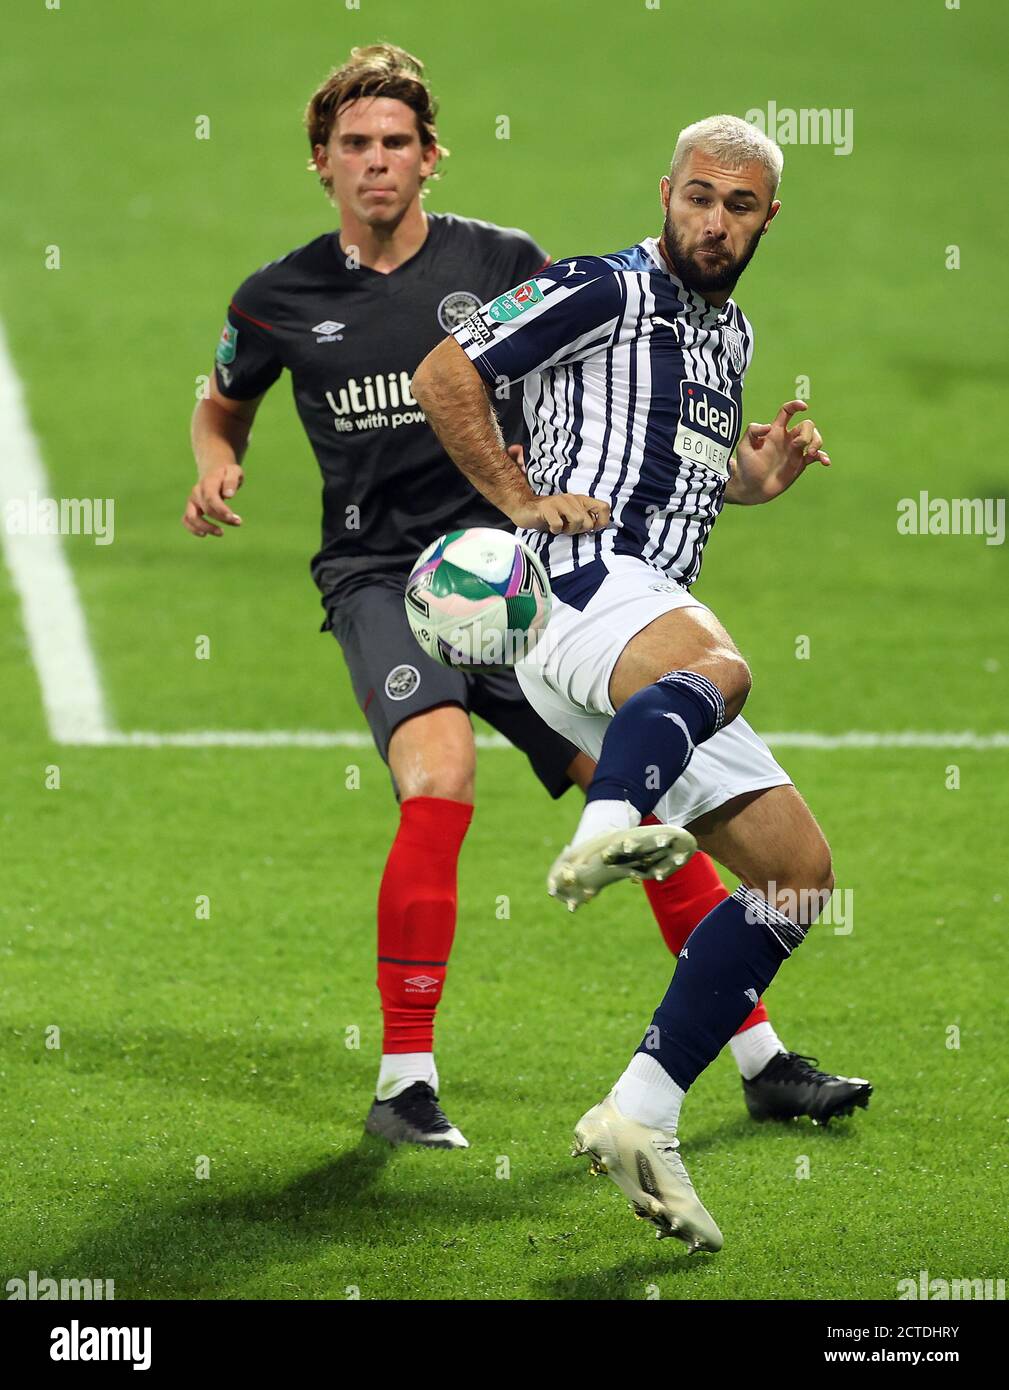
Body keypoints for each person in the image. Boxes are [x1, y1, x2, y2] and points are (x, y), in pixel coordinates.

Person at [184, 51, 868, 1155]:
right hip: (390, 576)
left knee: (654, 795)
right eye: (354, 144)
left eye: (395, 142)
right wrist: (215, 462)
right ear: (322, 163)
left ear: (428, 154)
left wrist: (733, 478)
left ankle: (749, 1055)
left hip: (527, 571)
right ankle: (407, 1080)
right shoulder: (276, 298)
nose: (376, 163)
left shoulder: (504, 260)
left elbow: (611, 390)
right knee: (443, 773)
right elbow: (223, 401)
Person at [413, 113, 869, 1248]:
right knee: (726, 664)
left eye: (740, 206)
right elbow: (443, 370)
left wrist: (751, 476)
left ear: (770, 217)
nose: (714, 221)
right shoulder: (602, 288)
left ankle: (641, 1109)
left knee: (797, 877)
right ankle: (612, 824)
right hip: (576, 588)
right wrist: (519, 500)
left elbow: (680, 477)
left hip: (636, 631)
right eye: (699, 198)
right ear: (664, 192)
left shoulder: (731, 337)